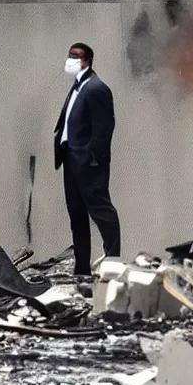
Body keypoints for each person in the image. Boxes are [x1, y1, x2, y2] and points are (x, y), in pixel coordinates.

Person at [53, 42, 121, 275]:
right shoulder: (77, 87)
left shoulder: (96, 88)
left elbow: (105, 128)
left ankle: (112, 263)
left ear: (87, 61)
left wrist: (94, 158)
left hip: (88, 163)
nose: (70, 60)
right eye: (69, 55)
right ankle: (82, 269)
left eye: (75, 56)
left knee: (101, 212)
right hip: (71, 159)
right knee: (77, 215)